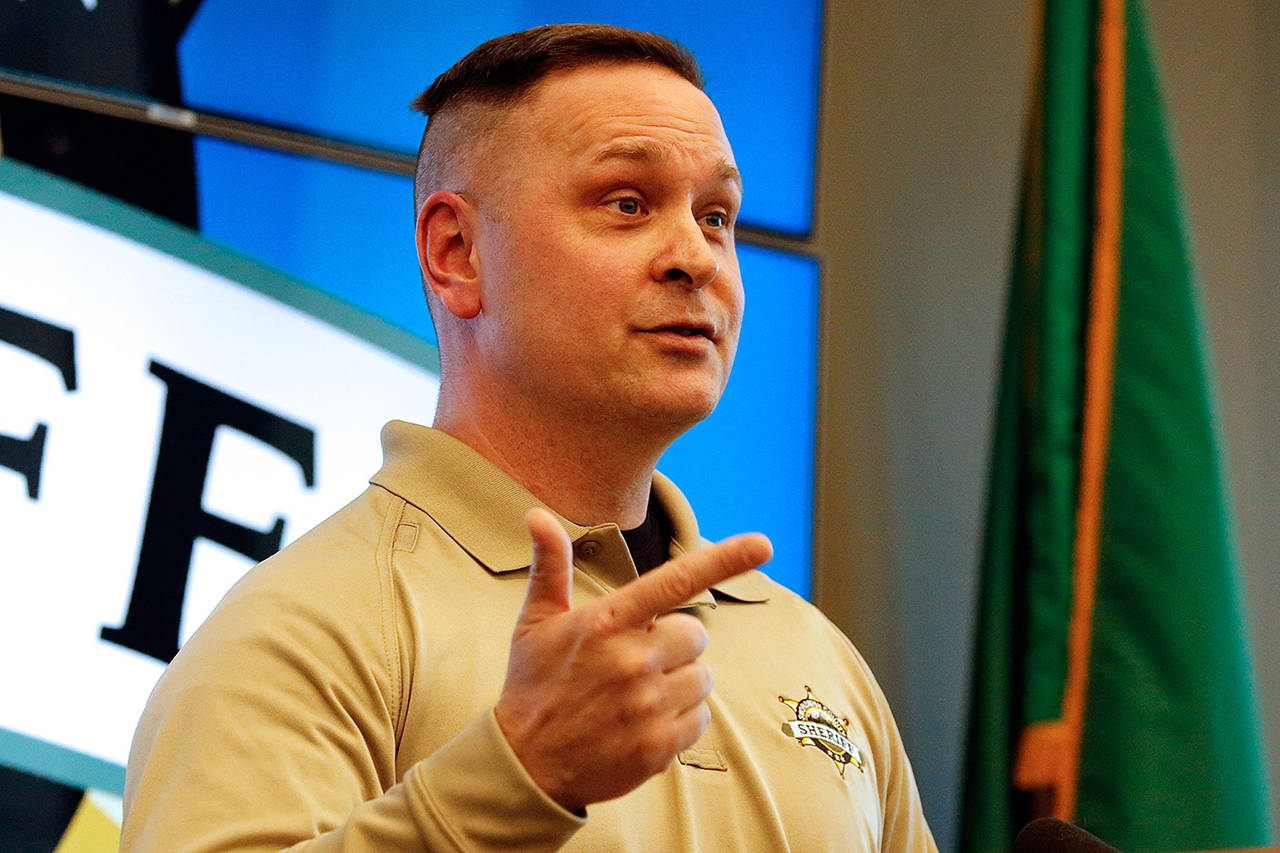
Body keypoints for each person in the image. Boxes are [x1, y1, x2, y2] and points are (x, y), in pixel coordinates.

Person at [120, 23, 937, 852]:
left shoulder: (815, 653)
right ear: (457, 253)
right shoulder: (303, 631)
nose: (697, 256)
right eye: (627, 202)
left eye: (717, 215)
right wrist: (518, 776)